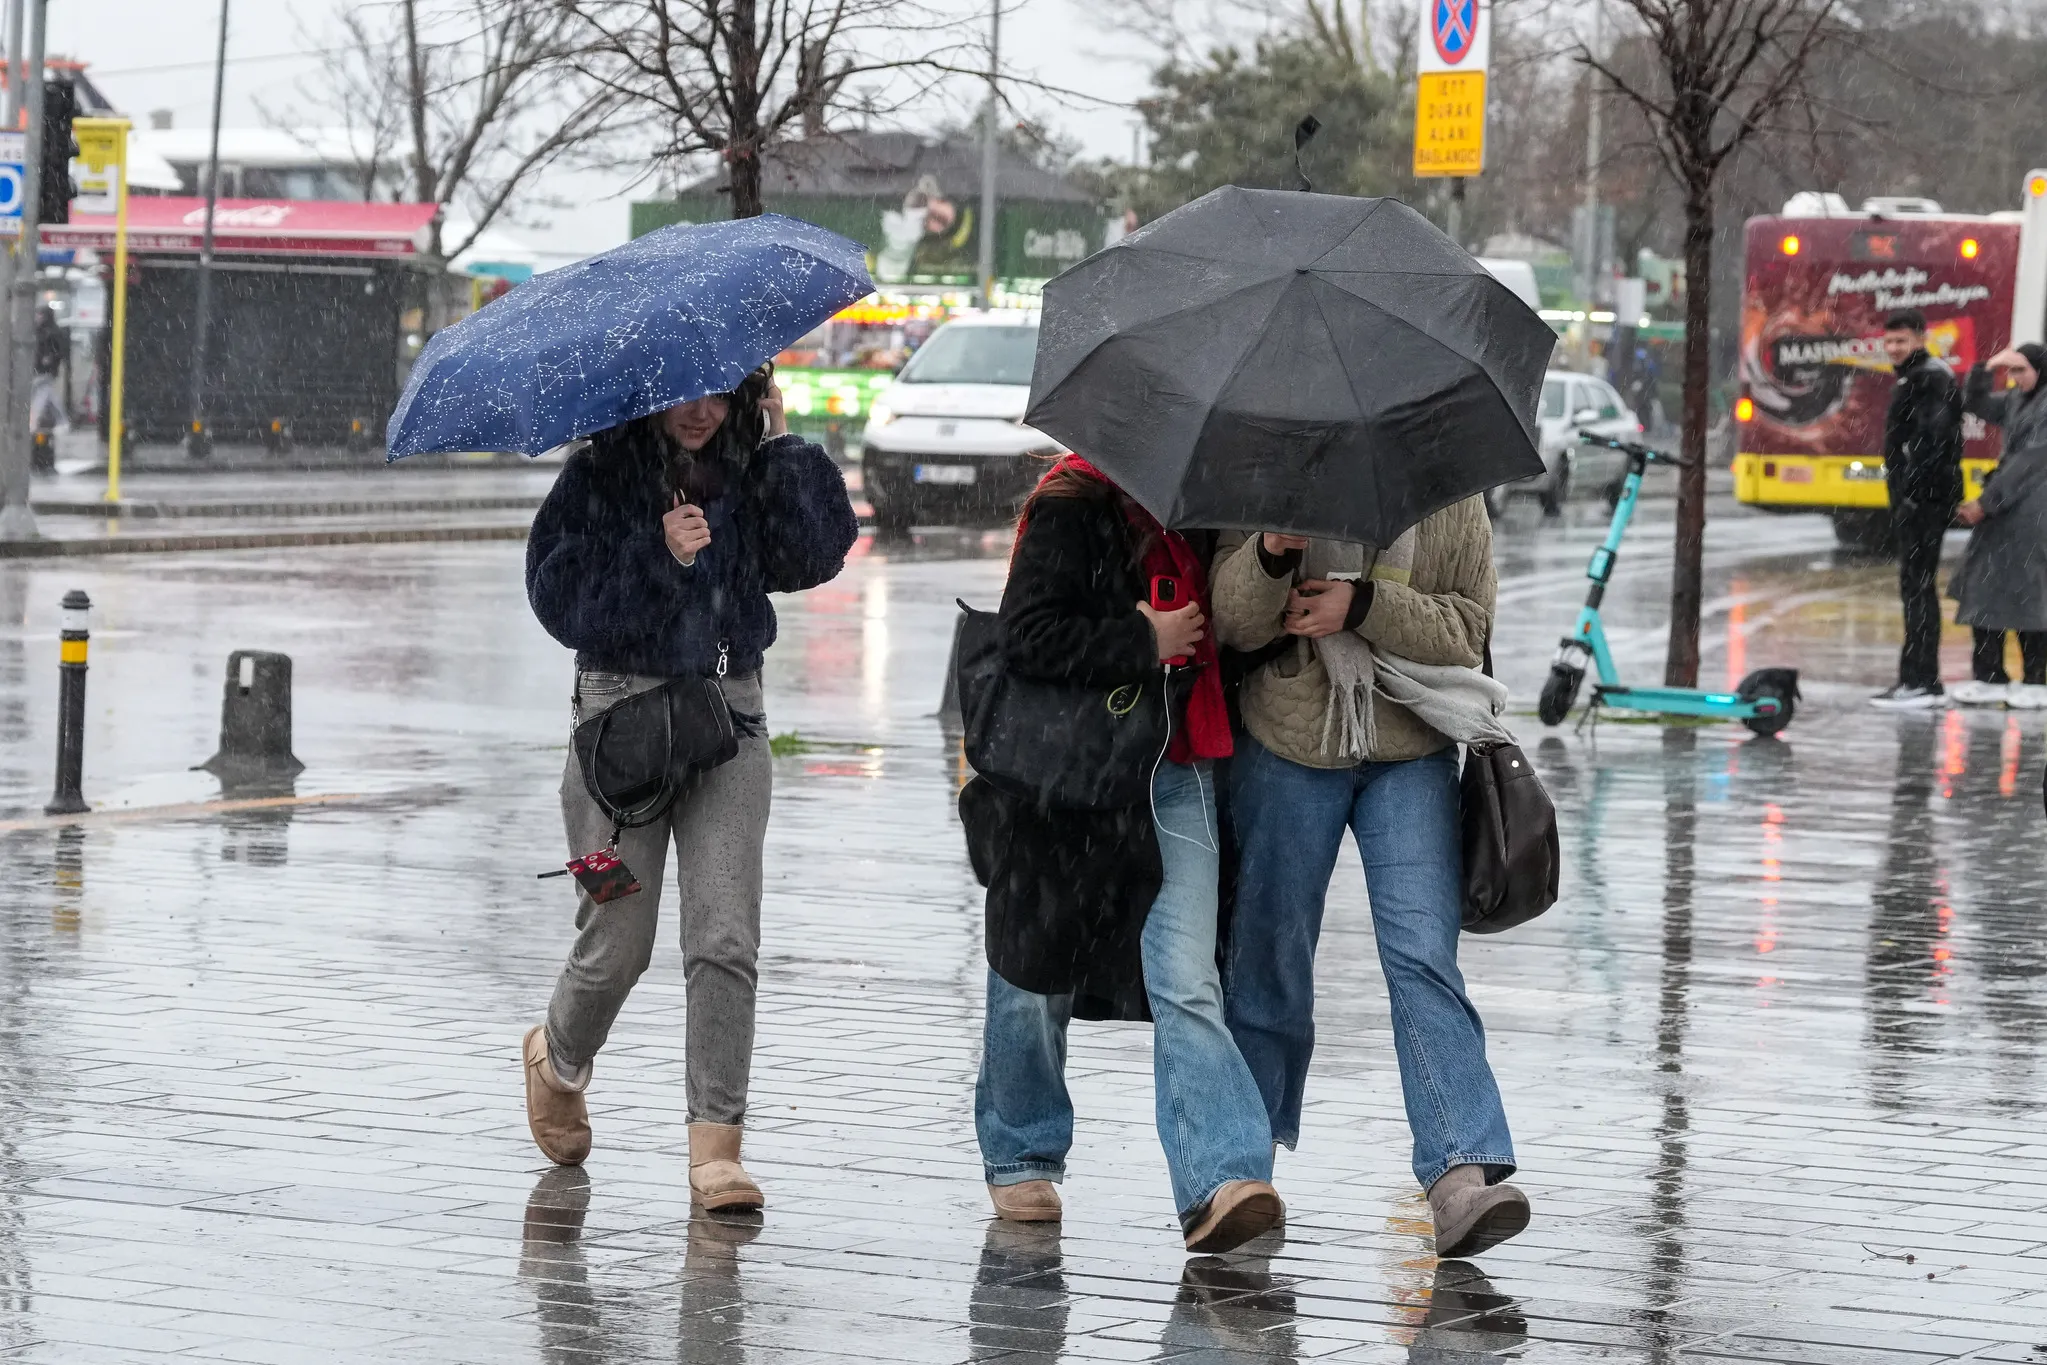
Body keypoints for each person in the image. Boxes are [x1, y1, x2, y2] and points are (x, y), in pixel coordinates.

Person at [519, 370, 858, 1210]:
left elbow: (815, 553)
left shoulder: (747, 464)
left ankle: (717, 1147)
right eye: (681, 393)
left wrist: (784, 447)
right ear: (646, 396)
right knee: (617, 941)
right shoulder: (597, 476)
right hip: (618, 722)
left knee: (723, 937)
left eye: (718, 392)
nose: (700, 410)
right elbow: (561, 601)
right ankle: (556, 1057)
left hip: (726, 716)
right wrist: (656, 555)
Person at [960, 454, 1284, 1255]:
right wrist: (1144, 637)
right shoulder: (1072, 505)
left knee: (1186, 976)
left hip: (1175, 767)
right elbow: (1029, 637)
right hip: (1069, 772)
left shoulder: (1210, 518)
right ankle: (1022, 1149)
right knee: (1034, 970)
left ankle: (1220, 1175)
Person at [1210, 498, 1530, 1260]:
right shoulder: (1265, 472)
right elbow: (1232, 622)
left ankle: (1460, 1173)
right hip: (1285, 739)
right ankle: (1238, 1174)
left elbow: (1466, 632)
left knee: (1422, 955)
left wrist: (1364, 605)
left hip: (1409, 746)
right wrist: (1271, 550)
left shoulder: (1449, 489)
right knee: (1268, 957)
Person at [1869, 308, 1964, 710]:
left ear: (1921, 339)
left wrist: (1910, 493)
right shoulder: (1917, 376)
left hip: (1924, 501)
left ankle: (1922, 681)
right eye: (1889, 342)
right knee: (1914, 587)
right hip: (1920, 499)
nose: (1893, 348)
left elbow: (1932, 440)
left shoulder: (1928, 377)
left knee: (1918, 587)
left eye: (1901, 341)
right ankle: (1916, 679)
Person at [1947, 344, 2047, 710]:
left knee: (2029, 595)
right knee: (1987, 588)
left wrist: (1987, 503)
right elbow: (1976, 404)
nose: (2016, 378)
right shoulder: (2019, 400)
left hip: (2032, 512)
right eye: (2012, 371)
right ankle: (1989, 675)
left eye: (2022, 370)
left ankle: (2035, 679)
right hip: (2008, 510)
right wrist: (1985, 367)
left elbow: (2030, 463)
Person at [29, 306, 65, 434]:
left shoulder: (53, 332)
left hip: (47, 370)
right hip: (40, 369)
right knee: (48, 395)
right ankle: (62, 421)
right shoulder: (39, 330)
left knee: (41, 394)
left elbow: (59, 351)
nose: (37, 317)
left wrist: (50, 358)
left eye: (40, 315)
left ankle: (33, 421)